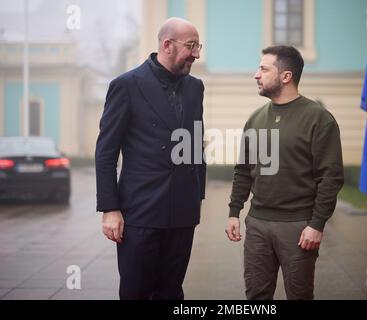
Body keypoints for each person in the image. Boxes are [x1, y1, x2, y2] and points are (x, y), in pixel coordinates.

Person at [95, 18, 206, 300]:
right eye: (191, 46)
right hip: (140, 212)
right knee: (137, 292)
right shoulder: (126, 85)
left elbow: (195, 142)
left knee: (172, 292)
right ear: (167, 45)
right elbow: (106, 152)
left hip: (182, 212)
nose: (196, 54)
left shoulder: (196, 87)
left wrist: (197, 196)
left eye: (198, 46)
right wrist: (110, 208)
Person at [225, 45, 344, 300]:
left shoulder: (319, 119)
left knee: (299, 296)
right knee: (256, 297)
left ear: (286, 76)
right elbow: (243, 170)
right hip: (257, 223)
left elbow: (330, 178)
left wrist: (316, 224)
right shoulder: (255, 119)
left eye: (264, 69)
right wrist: (234, 211)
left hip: (299, 227)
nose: (256, 75)